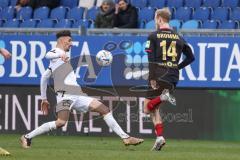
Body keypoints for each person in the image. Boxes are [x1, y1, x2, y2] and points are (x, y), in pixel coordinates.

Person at [20, 30, 144, 149]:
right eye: (69, 41)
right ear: (62, 40)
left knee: (104, 109)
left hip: (76, 94)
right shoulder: (56, 53)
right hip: (65, 95)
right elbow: (48, 54)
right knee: (60, 122)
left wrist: (43, 98)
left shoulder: (60, 59)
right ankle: (27, 137)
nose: (71, 43)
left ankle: (125, 137)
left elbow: (44, 77)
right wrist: (60, 54)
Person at [144, 8, 195, 151]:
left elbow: (151, 60)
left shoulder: (153, 36)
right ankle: (159, 137)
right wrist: (177, 67)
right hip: (173, 75)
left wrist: (152, 77)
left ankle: (162, 97)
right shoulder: (179, 37)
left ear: (159, 18)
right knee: (154, 109)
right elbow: (191, 58)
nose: (155, 21)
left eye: (155, 19)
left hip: (159, 73)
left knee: (147, 109)